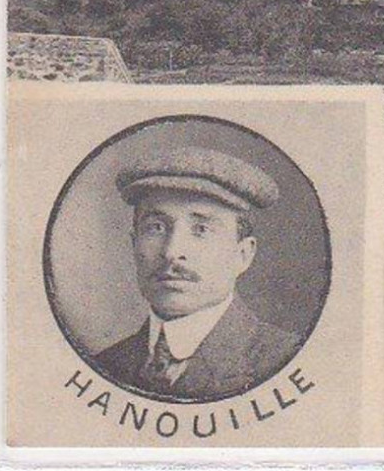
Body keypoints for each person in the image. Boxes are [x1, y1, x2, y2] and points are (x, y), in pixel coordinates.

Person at [94, 147, 299, 402]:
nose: (171, 252)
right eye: (156, 227)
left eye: (201, 229)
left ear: (243, 255)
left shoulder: (285, 360)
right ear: (134, 244)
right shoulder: (104, 365)